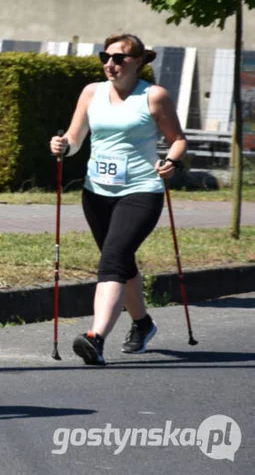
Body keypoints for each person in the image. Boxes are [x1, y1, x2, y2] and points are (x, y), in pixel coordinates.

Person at [50, 33, 186, 366]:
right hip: (97, 193)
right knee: (121, 262)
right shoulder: (91, 92)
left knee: (112, 259)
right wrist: (63, 145)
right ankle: (143, 324)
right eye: (105, 57)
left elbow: (178, 140)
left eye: (119, 58)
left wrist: (171, 161)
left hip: (141, 191)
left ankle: (95, 338)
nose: (110, 64)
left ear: (138, 62)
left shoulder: (154, 97)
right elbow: (76, 136)